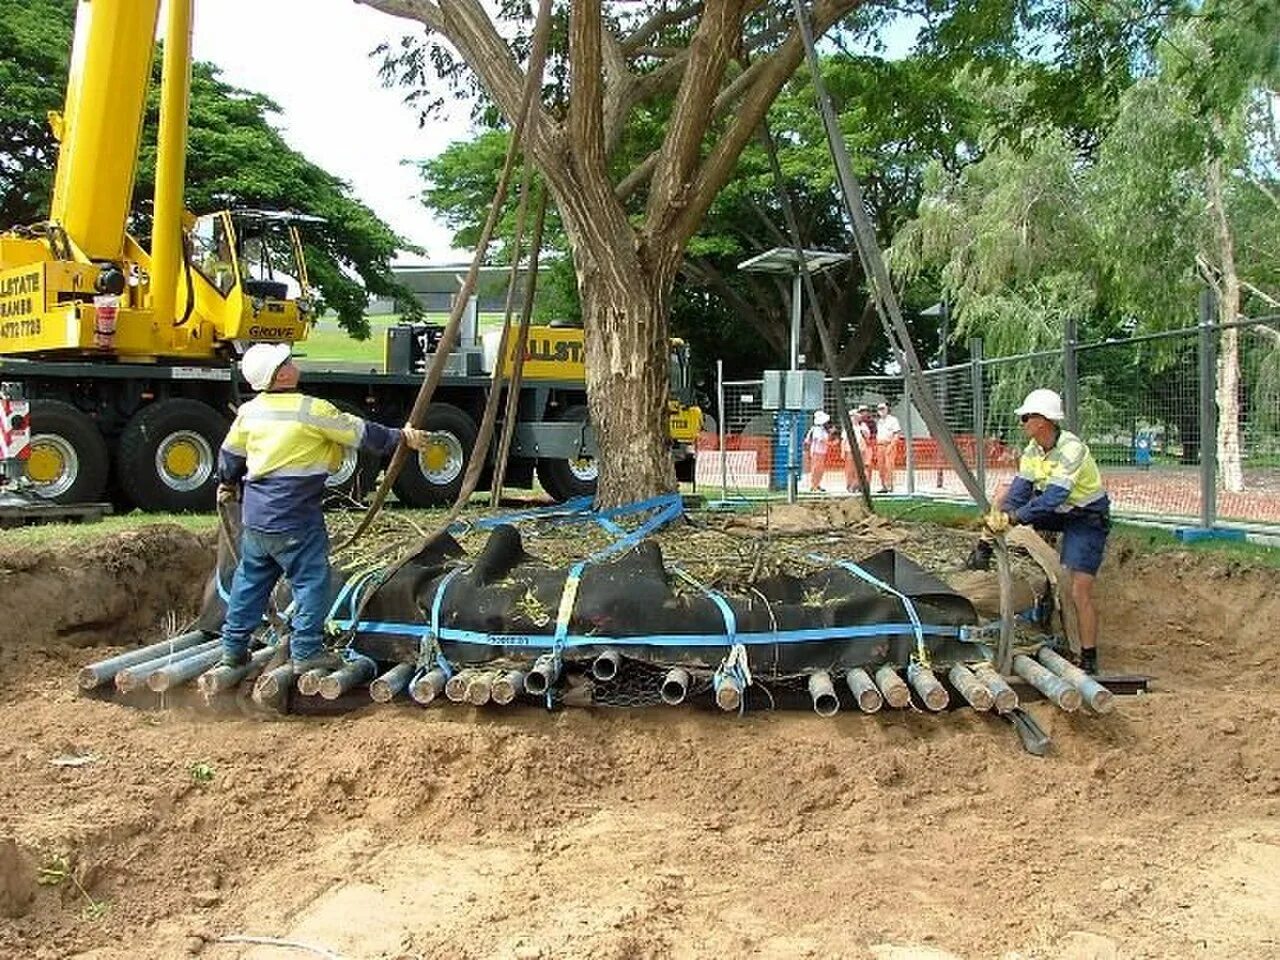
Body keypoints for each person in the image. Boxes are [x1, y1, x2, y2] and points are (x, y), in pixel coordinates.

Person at [216, 342, 432, 673]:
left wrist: (227, 483)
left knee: (250, 582)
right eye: (288, 360)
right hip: (296, 518)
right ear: (283, 373)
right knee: (312, 581)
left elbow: (230, 455)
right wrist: (401, 437)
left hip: (257, 519)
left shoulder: (250, 411)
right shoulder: (311, 410)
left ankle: (232, 649)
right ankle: (305, 652)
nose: (293, 362)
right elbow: (360, 432)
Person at [984, 388, 1110, 674]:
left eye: (1026, 417)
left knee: (1079, 589)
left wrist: (1015, 518)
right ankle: (982, 548)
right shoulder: (1032, 451)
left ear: (1043, 421)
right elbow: (1019, 492)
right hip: (1056, 512)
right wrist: (1001, 517)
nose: (1022, 423)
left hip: (1084, 517)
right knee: (1002, 493)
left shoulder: (1071, 449)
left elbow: (1054, 497)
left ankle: (1088, 656)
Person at [841, 405, 872, 493]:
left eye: (855, 416)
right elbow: (844, 440)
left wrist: (863, 430)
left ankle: (858, 485)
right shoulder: (847, 427)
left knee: (860, 469)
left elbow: (867, 437)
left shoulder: (862, 426)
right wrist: (843, 451)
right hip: (850, 450)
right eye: (852, 416)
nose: (854, 418)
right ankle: (850, 485)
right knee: (850, 469)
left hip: (861, 450)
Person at [874, 402, 902, 493]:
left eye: (883, 409)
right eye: (879, 409)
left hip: (889, 444)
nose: (881, 411)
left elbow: (896, 434)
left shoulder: (893, 420)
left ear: (887, 409)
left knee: (889, 466)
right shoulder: (879, 421)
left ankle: (890, 485)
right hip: (880, 445)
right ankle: (883, 486)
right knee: (881, 467)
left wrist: (891, 445)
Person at [803, 410, 831, 493]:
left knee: (820, 469)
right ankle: (813, 485)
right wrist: (831, 443)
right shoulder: (816, 429)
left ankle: (817, 484)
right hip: (816, 451)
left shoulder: (822, 429)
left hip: (822, 451)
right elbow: (820, 440)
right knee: (816, 468)